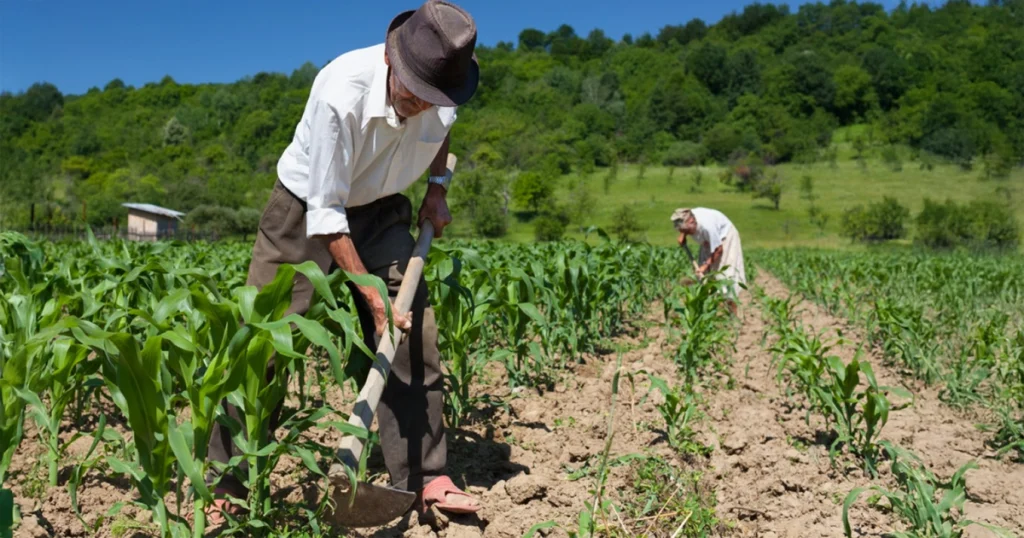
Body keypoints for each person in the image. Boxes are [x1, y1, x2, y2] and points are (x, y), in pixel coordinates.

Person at [204, 0, 482, 524]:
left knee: (412, 331)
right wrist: (370, 296)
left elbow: (443, 133)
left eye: (433, 98)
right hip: (307, 206)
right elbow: (326, 214)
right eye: (413, 92)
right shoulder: (340, 92)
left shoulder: (446, 88)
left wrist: (438, 188)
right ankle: (226, 479)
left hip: (384, 207)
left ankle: (424, 476)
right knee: (264, 338)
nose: (422, 105)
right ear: (391, 60)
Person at [670, 207, 746, 311]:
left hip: (725, 238)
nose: (687, 233)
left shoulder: (707, 227)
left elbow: (719, 249)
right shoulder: (688, 216)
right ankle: (710, 310)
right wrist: (683, 234)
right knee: (704, 277)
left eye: (686, 230)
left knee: (725, 277)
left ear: (692, 222)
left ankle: (731, 315)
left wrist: (705, 265)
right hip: (708, 240)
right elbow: (684, 222)